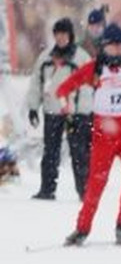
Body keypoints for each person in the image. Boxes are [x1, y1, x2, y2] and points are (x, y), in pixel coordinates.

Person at [56, 23, 121, 247]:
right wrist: (68, 114)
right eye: (113, 46)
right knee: (96, 183)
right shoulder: (94, 70)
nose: (118, 50)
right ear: (104, 47)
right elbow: (62, 90)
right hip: (103, 135)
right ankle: (82, 229)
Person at [26, 17, 92, 200]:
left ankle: (85, 191)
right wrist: (33, 107)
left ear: (70, 35)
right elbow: (36, 84)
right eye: (58, 34)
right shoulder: (46, 58)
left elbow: (88, 86)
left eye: (64, 34)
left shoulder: (81, 57)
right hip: (52, 110)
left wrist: (85, 112)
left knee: (79, 153)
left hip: (75, 113)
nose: (61, 38)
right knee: (50, 152)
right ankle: (47, 189)